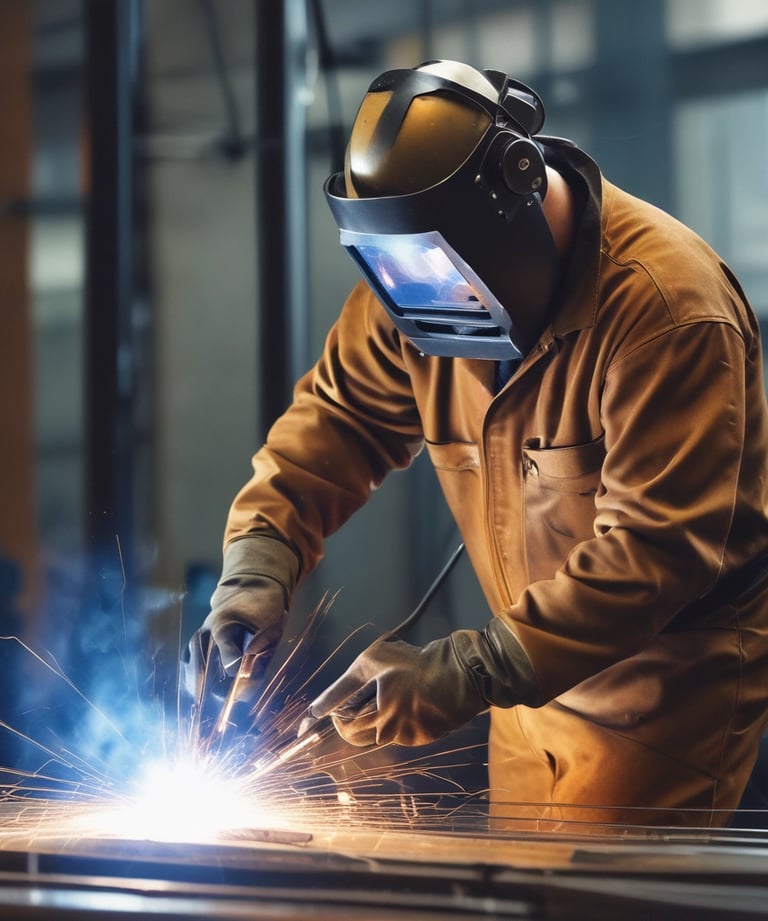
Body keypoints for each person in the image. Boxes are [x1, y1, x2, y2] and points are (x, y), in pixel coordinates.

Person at [184, 60, 768, 828]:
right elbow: (336, 424)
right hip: (522, 690)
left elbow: (654, 554)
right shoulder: (417, 276)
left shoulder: (668, 312)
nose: (418, 299)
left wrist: (463, 671)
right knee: (517, 892)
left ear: (512, 197)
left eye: (435, 264)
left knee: (595, 901)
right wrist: (257, 566)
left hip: (657, 697)